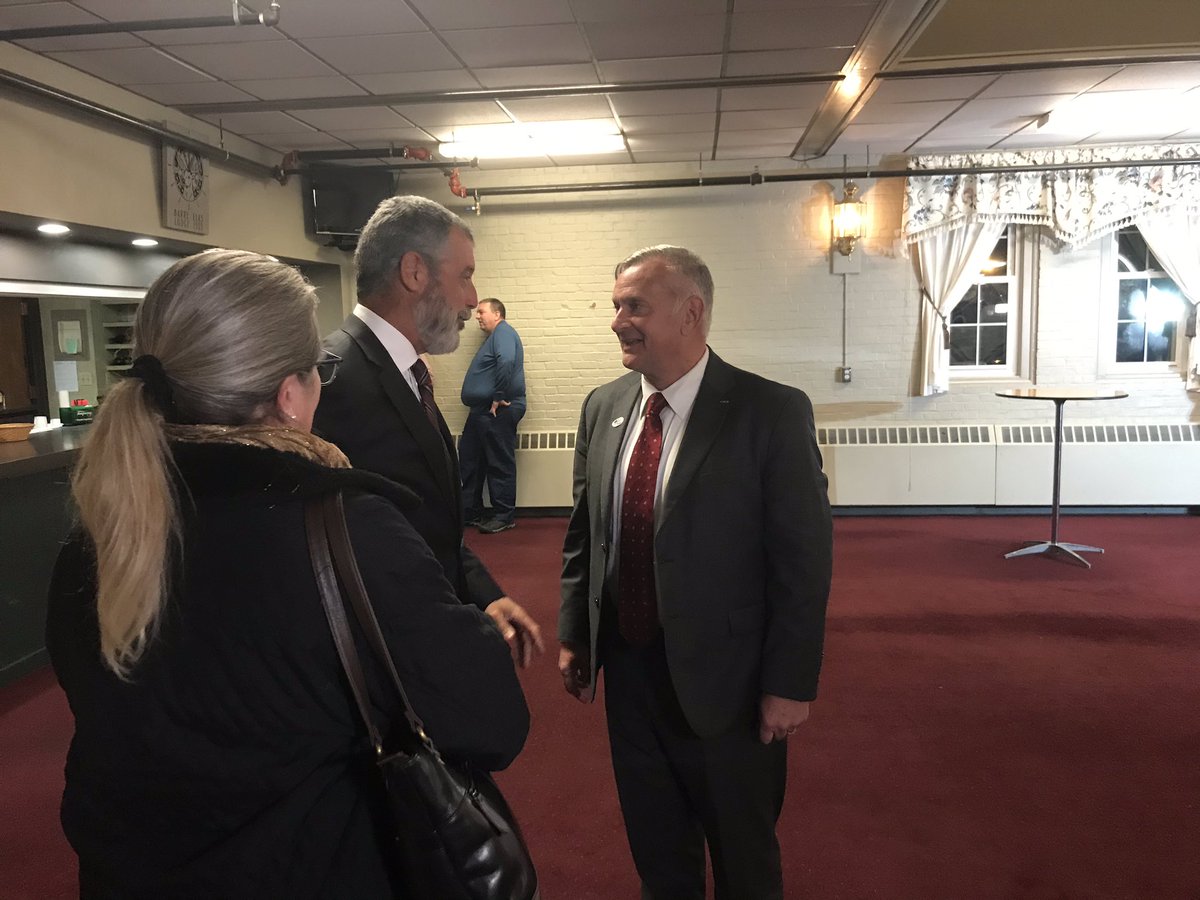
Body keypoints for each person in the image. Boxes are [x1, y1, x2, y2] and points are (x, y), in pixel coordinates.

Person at [46, 249, 530, 898]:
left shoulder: (96, 540)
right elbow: (492, 721)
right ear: (289, 394)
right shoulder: (342, 531)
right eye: (319, 370)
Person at [558, 245, 833, 900]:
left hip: (730, 689)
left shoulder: (769, 411)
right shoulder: (604, 406)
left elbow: (803, 559)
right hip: (630, 675)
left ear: (692, 312)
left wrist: (790, 681)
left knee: (743, 859)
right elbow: (584, 534)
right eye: (617, 305)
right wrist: (577, 632)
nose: (619, 320)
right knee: (659, 855)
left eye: (636, 307)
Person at [314, 196, 543, 666]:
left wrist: (481, 593)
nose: (471, 298)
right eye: (464, 276)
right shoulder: (330, 383)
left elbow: (423, 521)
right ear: (415, 272)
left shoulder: (404, 371)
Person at [459, 297, 526, 534]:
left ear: (497, 314)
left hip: (499, 409)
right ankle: (470, 511)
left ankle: (503, 515)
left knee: (499, 462)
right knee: (470, 460)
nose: (477, 316)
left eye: (482, 311)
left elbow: (506, 361)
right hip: (481, 410)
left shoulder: (504, 333)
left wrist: (498, 395)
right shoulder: (495, 337)